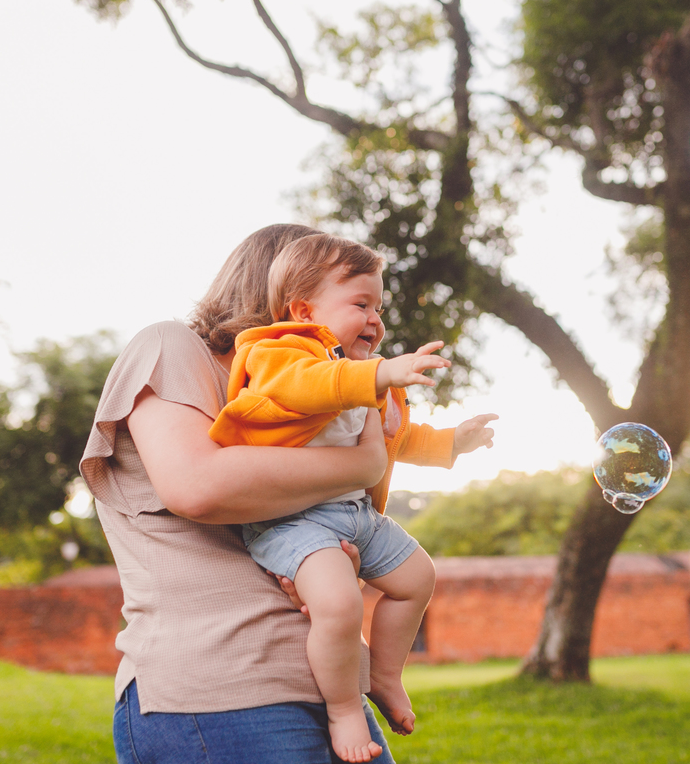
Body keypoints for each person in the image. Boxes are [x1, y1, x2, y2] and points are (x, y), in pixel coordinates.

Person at [81, 224, 400, 764]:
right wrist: (363, 458)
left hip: (323, 688)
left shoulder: (297, 403)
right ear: (286, 294)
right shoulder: (170, 346)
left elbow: (347, 507)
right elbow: (197, 486)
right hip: (220, 693)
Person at [208, 234, 498, 763]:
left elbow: (398, 439)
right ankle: (343, 709)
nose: (376, 320)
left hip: (356, 514)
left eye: (379, 307)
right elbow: (308, 386)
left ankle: (385, 674)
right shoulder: (277, 351)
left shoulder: (367, 379)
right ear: (303, 310)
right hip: (293, 521)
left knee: (417, 579)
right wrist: (380, 373)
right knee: (339, 605)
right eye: (361, 305)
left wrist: (453, 442)